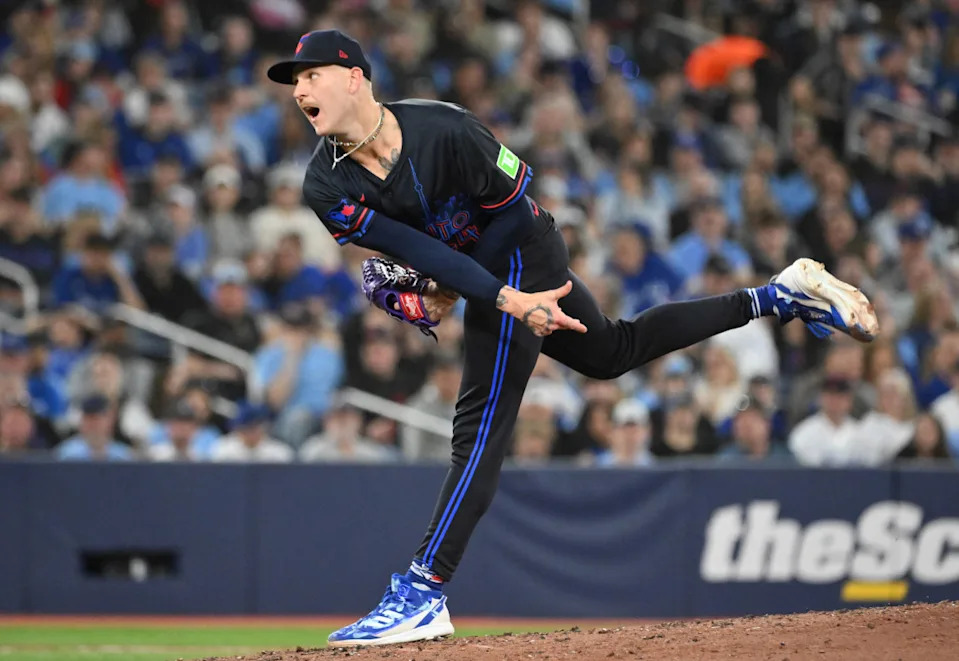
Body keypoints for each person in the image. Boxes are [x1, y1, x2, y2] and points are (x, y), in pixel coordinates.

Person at [265, 30, 880, 647]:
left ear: (354, 77)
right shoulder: (324, 184)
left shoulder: (446, 128)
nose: (298, 90)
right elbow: (412, 247)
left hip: (524, 248)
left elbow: (512, 210)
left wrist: (504, 297)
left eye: (309, 75)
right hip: (485, 275)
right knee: (614, 352)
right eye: (293, 82)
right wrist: (443, 283)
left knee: (478, 430)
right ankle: (777, 295)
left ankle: (423, 590)